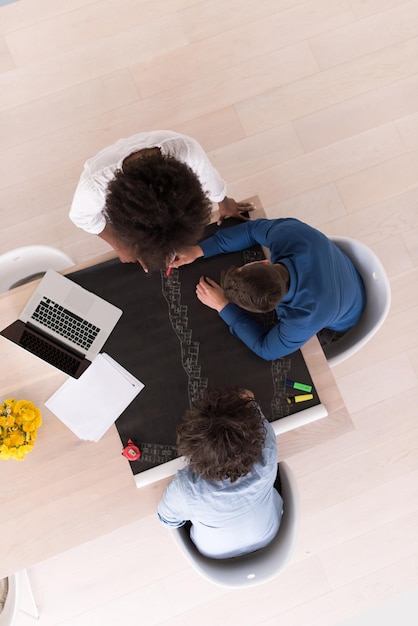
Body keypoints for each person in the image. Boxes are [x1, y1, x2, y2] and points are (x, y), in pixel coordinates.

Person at [171, 218, 366, 360]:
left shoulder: (304, 319)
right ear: (263, 262)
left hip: (339, 322)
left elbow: (267, 351)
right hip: (342, 275)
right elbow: (250, 230)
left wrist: (223, 306)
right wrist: (198, 250)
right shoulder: (291, 233)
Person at [69, 130, 254, 271]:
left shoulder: (188, 151)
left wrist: (224, 202)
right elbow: (82, 217)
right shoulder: (93, 186)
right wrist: (120, 245)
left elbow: (210, 179)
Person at [157, 387, 283, 559]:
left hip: (215, 552)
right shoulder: (266, 452)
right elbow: (249, 399)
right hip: (267, 535)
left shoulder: (187, 489)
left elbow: (167, 520)